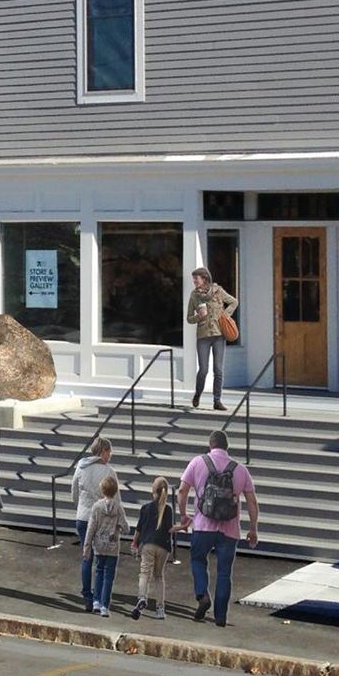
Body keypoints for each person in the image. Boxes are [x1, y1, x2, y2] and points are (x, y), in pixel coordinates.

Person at [176, 429, 258, 627]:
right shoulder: (240, 469)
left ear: (210, 445)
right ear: (227, 447)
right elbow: (252, 502)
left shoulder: (197, 462)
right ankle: (220, 617)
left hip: (203, 525)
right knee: (224, 572)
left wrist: (184, 515)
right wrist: (253, 529)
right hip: (229, 530)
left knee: (197, 560)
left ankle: (202, 594)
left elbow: (182, 490)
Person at [70, 438, 117, 610]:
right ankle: (97, 598)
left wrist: (80, 507)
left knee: (86, 556)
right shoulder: (109, 472)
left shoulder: (81, 467)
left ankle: (87, 596)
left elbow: (74, 492)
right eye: (109, 452)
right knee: (101, 560)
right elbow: (115, 499)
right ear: (102, 451)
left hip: (82, 517)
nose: (110, 455)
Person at [186, 268, 238, 411]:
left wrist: (225, 316)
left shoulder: (218, 291)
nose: (194, 282)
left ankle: (217, 400)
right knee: (203, 369)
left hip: (219, 335)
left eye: (196, 279)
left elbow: (234, 302)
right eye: (194, 279)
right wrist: (198, 317)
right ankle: (198, 394)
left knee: (218, 370)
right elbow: (189, 318)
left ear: (204, 278)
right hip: (203, 336)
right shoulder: (194, 295)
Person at [82, 475, 128, 617]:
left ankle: (95, 601)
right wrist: (119, 528)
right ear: (115, 491)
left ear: (102, 490)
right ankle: (104, 606)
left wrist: (87, 547)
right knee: (109, 576)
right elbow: (126, 528)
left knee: (98, 572)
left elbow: (91, 528)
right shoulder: (118, 508)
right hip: (113, 547)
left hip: (99, 545)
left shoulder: (96, 507)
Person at [132, 475, 176, 621]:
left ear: (153, 490)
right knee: (159, 576)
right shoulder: (168, 510)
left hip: (148, 543)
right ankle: (160, 608)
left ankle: (142, 598)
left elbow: (139, 528)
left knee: (145, 573)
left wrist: (135, 543)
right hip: (163, 546)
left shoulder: (146, 508)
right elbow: (169, 529)